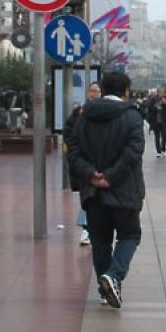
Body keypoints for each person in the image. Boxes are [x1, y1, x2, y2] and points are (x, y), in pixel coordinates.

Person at [66, 71, 146, 309]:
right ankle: (113, 276)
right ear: (126, 91)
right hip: (124, 190)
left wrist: (92, 175)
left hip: (93, 192)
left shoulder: (84, 116)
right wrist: (110, 177)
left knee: (100, 241)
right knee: (129, 235)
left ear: (102, 88)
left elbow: (74, 151)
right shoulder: (132, 116)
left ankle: (106, 291)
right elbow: (134, 151)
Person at [66, 82, 103, 247]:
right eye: (91, 90)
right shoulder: (79, 112)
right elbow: (69, 133)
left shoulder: (106, 112)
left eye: (97, 91)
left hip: (101, 161)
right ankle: (87, 229)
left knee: (94, 196)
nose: (94, 93)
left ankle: (91, 228)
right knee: (88, 194)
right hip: (84, 162)